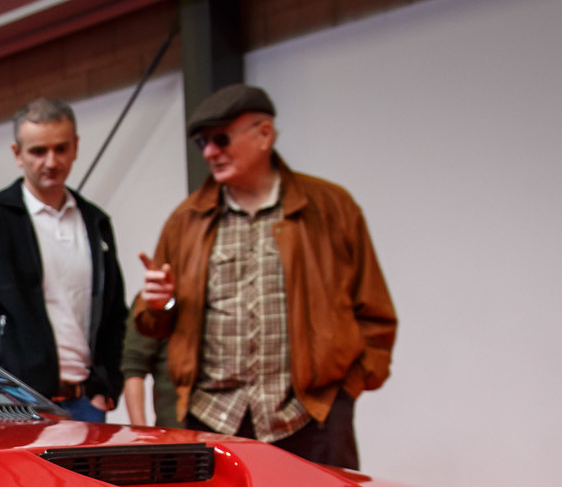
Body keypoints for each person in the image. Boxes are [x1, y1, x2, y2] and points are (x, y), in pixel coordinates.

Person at [135, 84, 395, 467]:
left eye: (220, 139)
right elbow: (153, 321)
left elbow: (374, 310)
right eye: (202, 143)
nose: (210, 152)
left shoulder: (331, 209)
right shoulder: (186, 220)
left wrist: (346, 391)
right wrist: (161, 303)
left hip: (311, 418)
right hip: (212, 419)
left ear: (264, 134)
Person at [0, 97, 126, 421]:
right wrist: (1, 387)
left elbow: (115, 316)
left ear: (76, 147)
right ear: (17, 154)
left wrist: (107, 389)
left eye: (61, 149)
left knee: (84, 476)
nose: (51, 161)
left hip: (86, 405)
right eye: (38, 151)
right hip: (16, 409)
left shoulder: (96, 222)